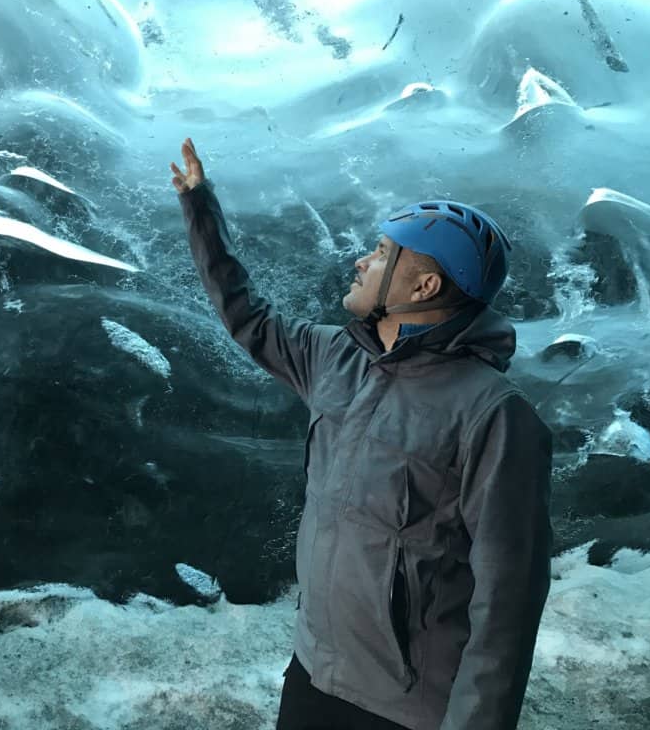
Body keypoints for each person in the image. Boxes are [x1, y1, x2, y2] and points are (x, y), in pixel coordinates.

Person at [170, 138, 552, 730]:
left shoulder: (493, 413)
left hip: (407, 706)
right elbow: (247, 316)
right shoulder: (333, 355)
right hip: (313, 671)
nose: (360, 262)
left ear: (424, 288)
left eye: (380, 253)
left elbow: (509, 597)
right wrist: (199, 206)